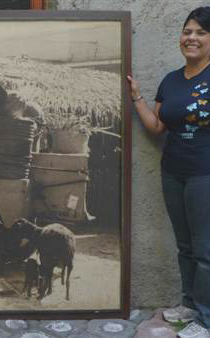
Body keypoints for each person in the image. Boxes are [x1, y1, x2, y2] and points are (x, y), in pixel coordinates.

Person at [127, 6, 210, 338]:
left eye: (201, 33)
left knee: (205, 249)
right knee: (185, 246)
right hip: (173, 171)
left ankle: (205, 320)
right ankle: (189, 304)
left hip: (205, 174)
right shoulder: (171, 80)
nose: (191, 38)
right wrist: (137, 98)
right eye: (187, 31)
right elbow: (158, 126)